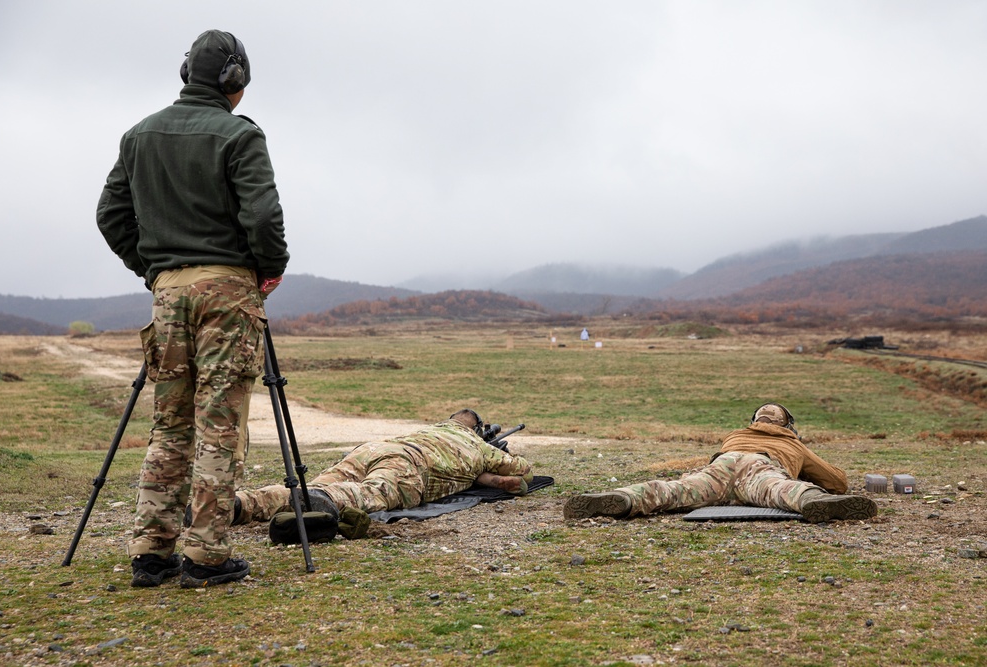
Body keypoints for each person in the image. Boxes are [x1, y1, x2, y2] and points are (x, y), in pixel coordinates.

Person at [96, 29, 289, 588]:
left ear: (187, 76)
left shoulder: (138, 136)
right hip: (228, 292)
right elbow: (262, 218)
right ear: (235, 81)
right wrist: (267, 268)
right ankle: (205, 556)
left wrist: (156, 271)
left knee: (170, 423)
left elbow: (111, 216)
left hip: (169, 295)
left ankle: (151, 552)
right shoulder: (240, 136)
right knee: (219, 424)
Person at [232, 410, 533, 539]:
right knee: (364, 494)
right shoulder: (476, 445)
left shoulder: (435, 428)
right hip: (411, 465)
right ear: (476, 431)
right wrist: (498, 454)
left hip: (375, 449)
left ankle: (240, 504)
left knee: (311, 484)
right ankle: (322, 500)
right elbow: (523, 473)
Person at [564, 403, 877, 524]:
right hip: (759, 466)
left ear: (754, 420)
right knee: (781, 490)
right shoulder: (792, 442)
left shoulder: (735, 435)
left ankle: (626, 497)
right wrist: (805, 460)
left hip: (721, 465)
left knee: (676, 490)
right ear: (787, 424)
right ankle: (813, 502)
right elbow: (837, 482)